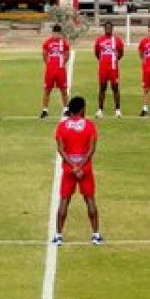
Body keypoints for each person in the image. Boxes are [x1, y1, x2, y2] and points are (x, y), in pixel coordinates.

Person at [52, 96, 103, 245]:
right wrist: (80, 165)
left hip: (69, 167)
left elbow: (61, 150)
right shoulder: (89, 126)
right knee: (90, 200)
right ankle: (96, 235)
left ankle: (58, 236)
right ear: (81, 109)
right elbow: (91, 149)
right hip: (85, 167)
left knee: (64, 201)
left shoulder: (62, 126)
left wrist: (73, 166)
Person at [94, 21, 125, 118]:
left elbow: (121, 53)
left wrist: (115, 60)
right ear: (104, 29)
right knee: (102, 88)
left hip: (113, 69)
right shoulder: (99, 40)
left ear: (112, 29)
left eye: (109, 28)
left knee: (115, 88)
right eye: (106, 28)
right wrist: (103, 61)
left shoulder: (117, 40)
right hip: (103, 69)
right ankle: (100, 110)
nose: (108, 29)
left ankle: (118, 110)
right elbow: (97, 53)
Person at [40, 24, 71, 119]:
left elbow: (67, 55)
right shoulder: (47, 43)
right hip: (50, 71)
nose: (56, 35)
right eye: (54, 33)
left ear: (60, 33)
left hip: (61, 70)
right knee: (47, 90)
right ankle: (45, 110)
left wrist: (61, 64)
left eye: (58, 33)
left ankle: (66, 109)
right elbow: (44, 55)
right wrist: (49, 65)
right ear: (52, 33)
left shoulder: (64, 43)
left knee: (64, 90)